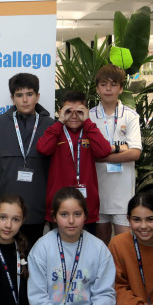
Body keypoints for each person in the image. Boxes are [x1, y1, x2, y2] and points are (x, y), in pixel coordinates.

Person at [0, 72, 54, 249]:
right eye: (19, 95)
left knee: (34, 259)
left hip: (37, 208)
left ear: (37, 96)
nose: (25, 100)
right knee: (5, 258)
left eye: (29, 94)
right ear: (12, 98)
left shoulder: (51, 126)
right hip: (5, 211)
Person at [36, 90, 110, 237]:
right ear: (61, 112)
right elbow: (43, 149)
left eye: (79, 111)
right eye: (69, 111)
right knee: (59, 249)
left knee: (86, 251)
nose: (74, 116)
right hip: (59, 204)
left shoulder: (90, 130)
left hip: (86, 203)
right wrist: (59, 122)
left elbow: (104, 150)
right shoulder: (56, 131)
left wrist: (88, 122)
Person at [90, 65, 142, 243]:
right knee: (100, 247)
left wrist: (101, 154)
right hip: (97, 193)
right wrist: (121, 148)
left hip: (123, 195)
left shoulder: (131, 116)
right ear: (97, 88)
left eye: (113, 84)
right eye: (103, 84)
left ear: (121, 88)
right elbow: (87, 153)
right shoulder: (88, 117)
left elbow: (135, 153)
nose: (108, 89)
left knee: (124, 248)